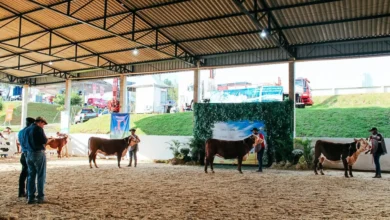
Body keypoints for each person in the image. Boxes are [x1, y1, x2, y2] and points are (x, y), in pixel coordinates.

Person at [25, 117, 48, 204]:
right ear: (40, 122)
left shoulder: (27, 129)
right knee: (41, 175)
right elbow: (44, 140)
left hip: (29, 154)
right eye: (43, 124)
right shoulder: (38, 129)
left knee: (31, 175)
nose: (43, 126)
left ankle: (30, 197)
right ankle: (40, 197)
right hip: (38, 153)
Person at [18, 117, 36, 198]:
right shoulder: (30, 131)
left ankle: (21, 192)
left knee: (23, 173)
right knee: (30, 173)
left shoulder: (21, 132)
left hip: (23, 154)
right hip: (29, 153)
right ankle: (29, 192)